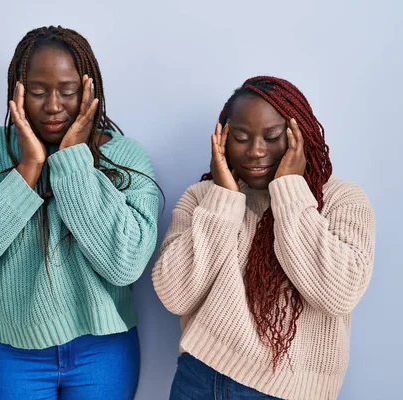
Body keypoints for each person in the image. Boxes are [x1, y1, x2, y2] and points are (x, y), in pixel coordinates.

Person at [0, 25, 159, 399]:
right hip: (15, 353)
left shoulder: (125, 157)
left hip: (103, 351)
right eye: (38, 92)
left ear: (89, 91)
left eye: (67, 91)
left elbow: (126, 265)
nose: (53, 106)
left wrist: (72, 163)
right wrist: (27, 170)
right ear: (17, 91)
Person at [152, 76, 375, 400]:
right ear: (222, 140)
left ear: (301, 137)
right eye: (241, 137)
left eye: (272, 137)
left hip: (288, 391)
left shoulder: (342, 200)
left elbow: (338, 293)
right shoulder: (203, 198)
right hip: (197, 379)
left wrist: (290, 192)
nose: (256, 151)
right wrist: (224, 199)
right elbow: (175, 296)